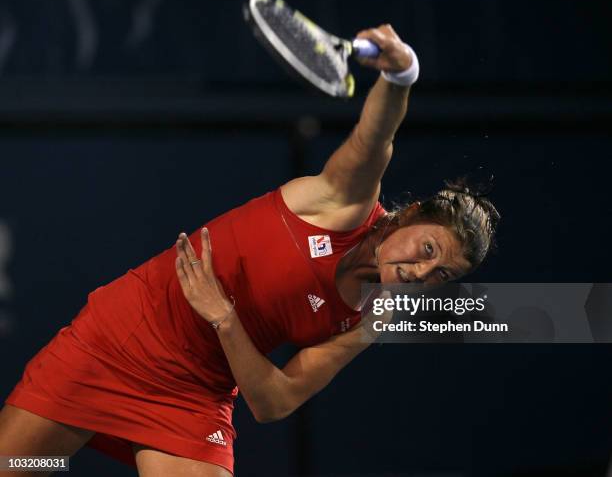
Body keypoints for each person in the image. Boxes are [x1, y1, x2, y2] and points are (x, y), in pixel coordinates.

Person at [0, 25, 499, 477]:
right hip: (117, 342)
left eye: (440, 274)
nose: (422, 271)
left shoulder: (374, 316)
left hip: (193, 399)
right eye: (429, 247)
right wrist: (401, 76)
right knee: (23, 464)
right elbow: (376, 138)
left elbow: (274, 402)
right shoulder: (342, 202)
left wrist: (225, 320)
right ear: (409, 214)